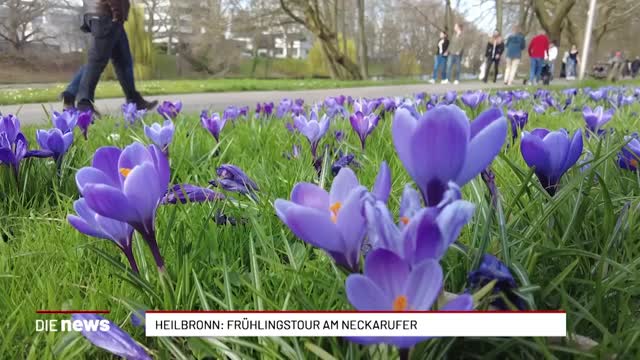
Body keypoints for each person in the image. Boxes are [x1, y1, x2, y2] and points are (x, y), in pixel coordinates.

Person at [74, 0, 157, 114]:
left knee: (124, 62)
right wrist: (116, 11)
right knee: (97, 61)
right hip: (107, 14)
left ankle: (134, 100)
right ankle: (84, 103)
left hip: (109, 15)